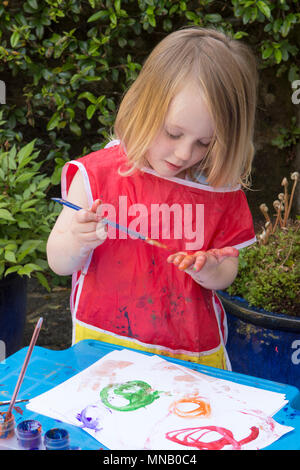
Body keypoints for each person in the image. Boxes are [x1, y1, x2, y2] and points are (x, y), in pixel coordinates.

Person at [47, 27, 258, 370]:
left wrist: (212, 269)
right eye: (173, 133)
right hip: (104, 348)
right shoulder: (97, 175)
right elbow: (58, 261)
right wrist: (76, 239)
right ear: (142, 107)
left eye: (205, 142)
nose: (184, 153)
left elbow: (227, 271)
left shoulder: (218, 188)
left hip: (191, 356)